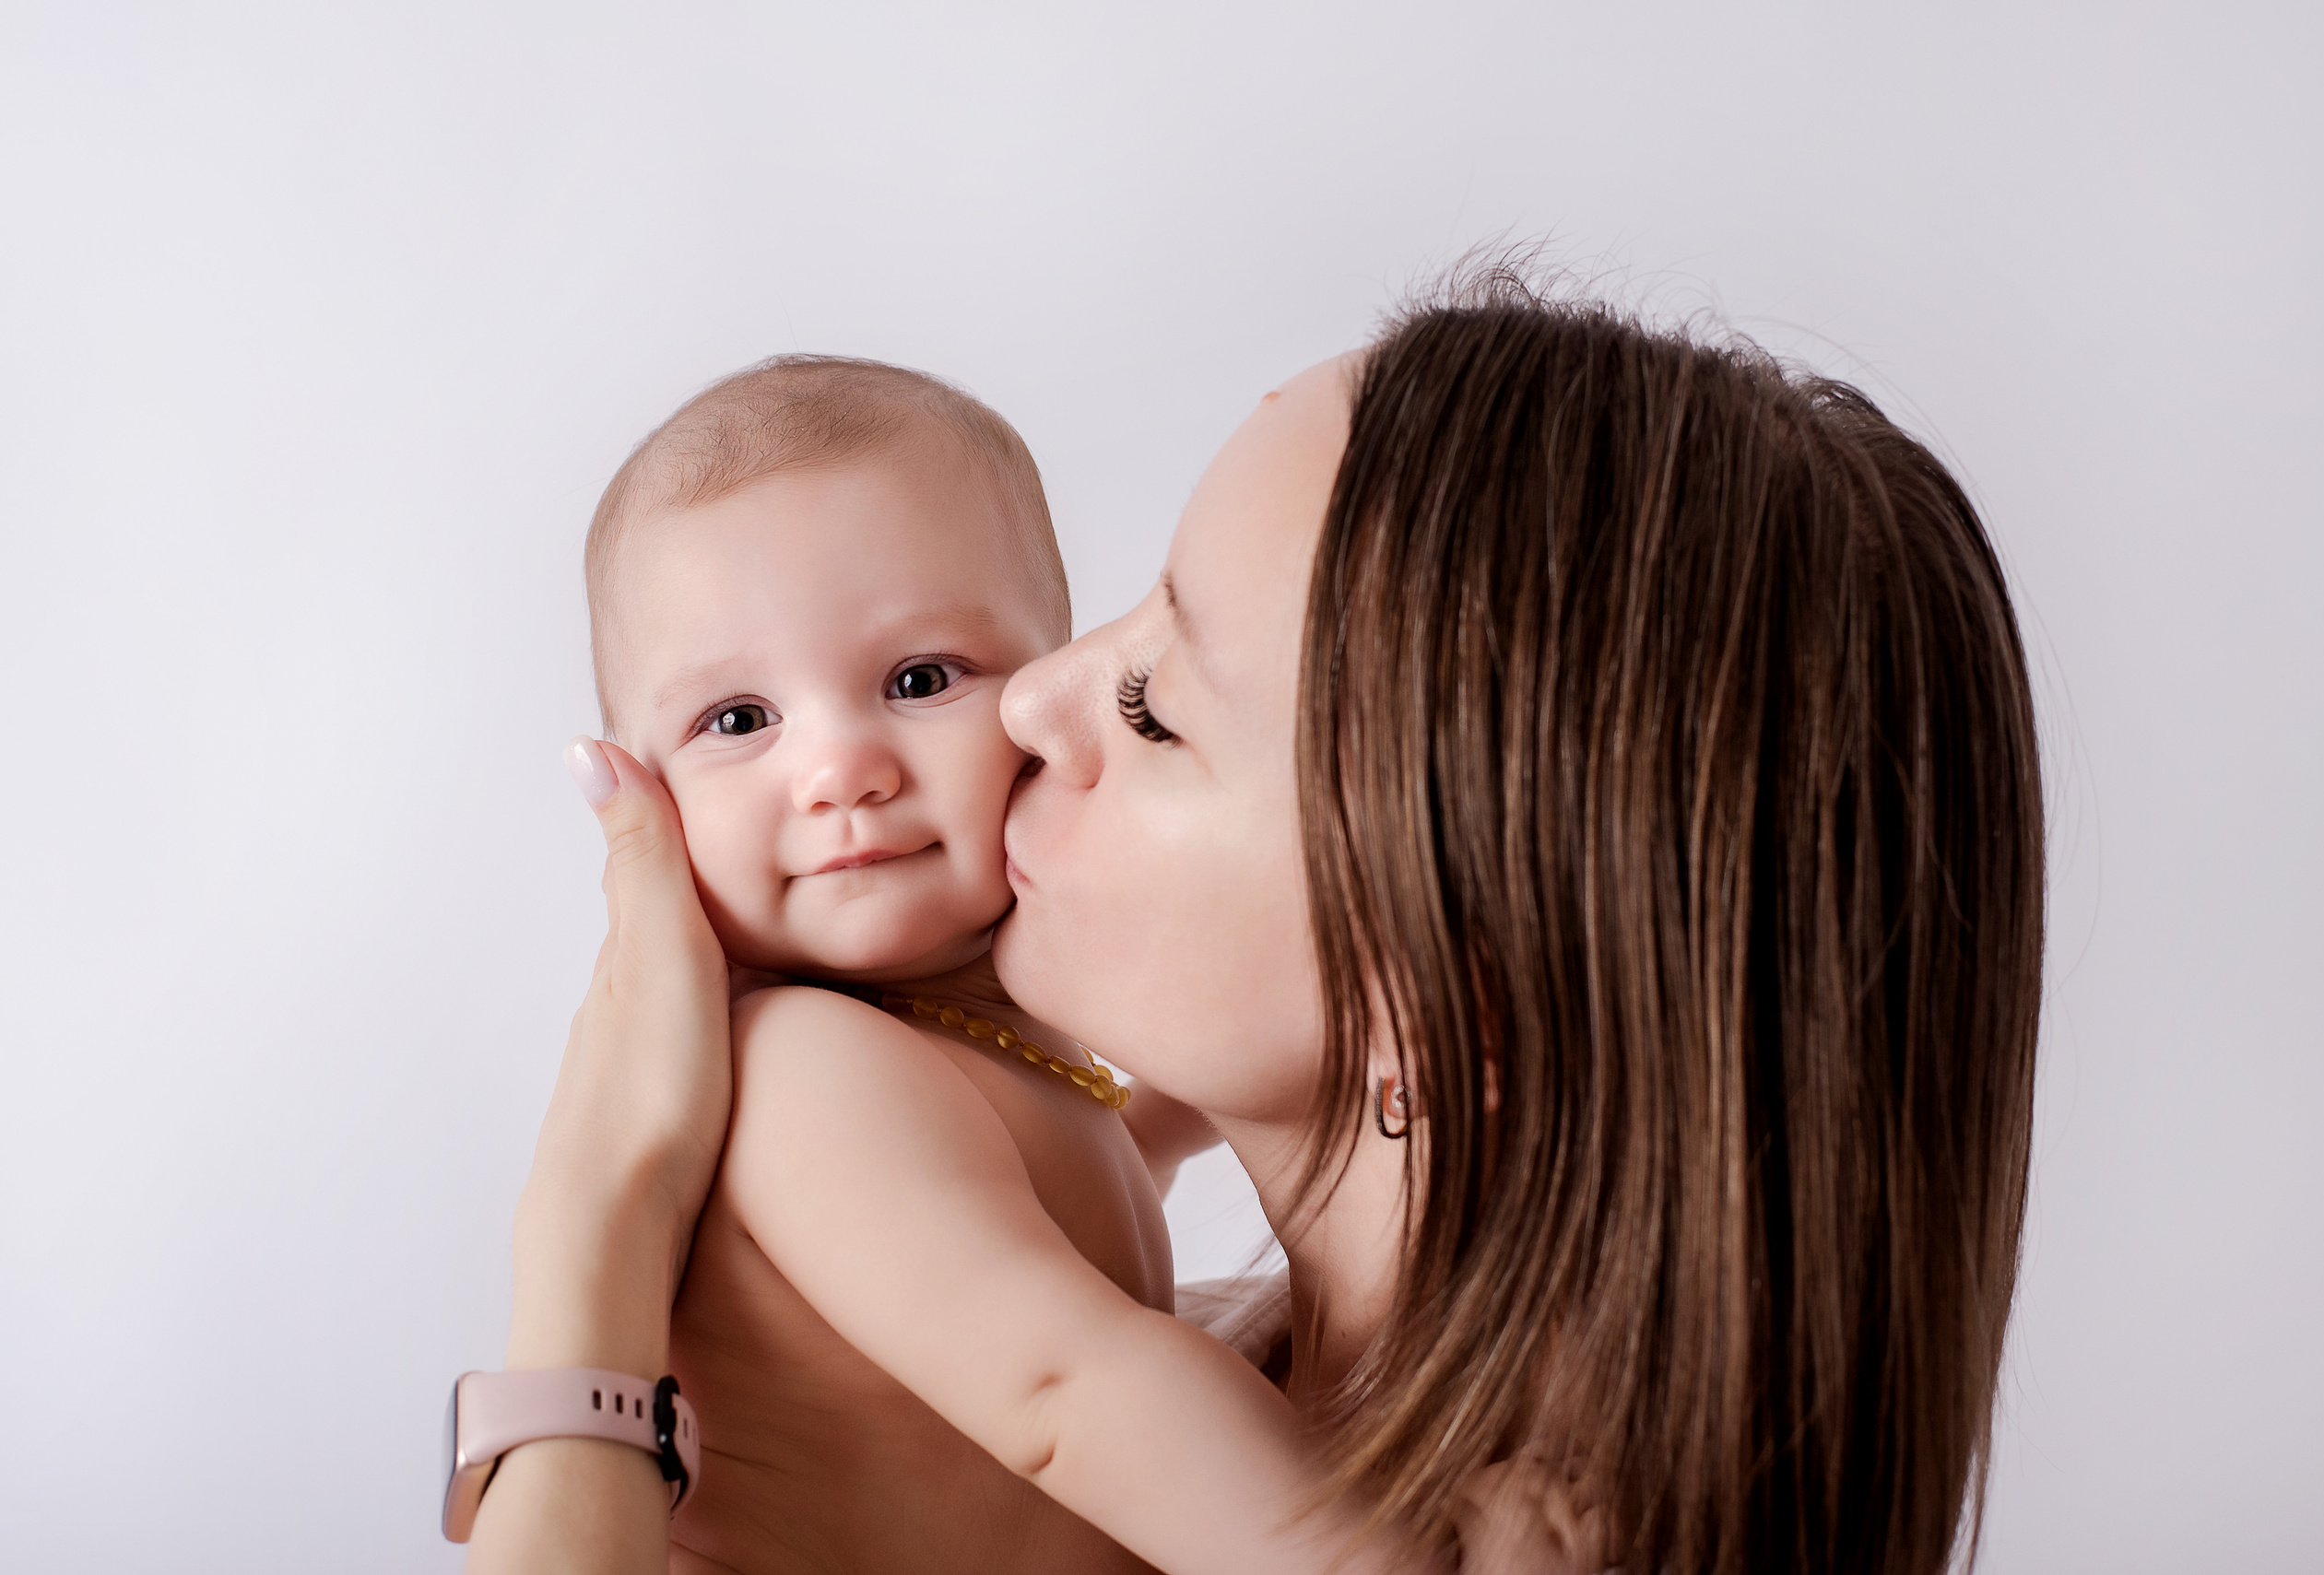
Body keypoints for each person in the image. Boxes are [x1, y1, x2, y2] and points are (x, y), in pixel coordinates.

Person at [466, 268, 2044, 1575]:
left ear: (1433, 1013)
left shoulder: (1307, 1498)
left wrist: (595, 1236)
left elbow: (1074, 1359)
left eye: (1156, 703)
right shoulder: (1236, 1380)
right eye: (1133, 607)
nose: (1036, 694)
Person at [547, 352, 1425, 1575]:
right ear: (641, 789)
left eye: (920, 679)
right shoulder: (806, 1066)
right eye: (738, 720)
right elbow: (1067, 1386)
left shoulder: (977, 1033)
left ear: (1044, 676)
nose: (841, 766)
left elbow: (1097, 1156)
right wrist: (1372, 1555)